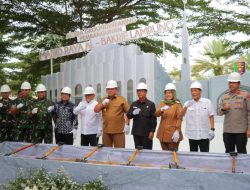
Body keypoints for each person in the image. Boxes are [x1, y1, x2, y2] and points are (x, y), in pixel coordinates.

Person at [217, 72, 250, 154]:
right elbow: (218, 112)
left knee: (242, 154)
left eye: (233, 82)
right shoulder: (224, 96)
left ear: (239, 83)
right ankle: (229, 167)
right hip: (227, 132)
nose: (231, 84)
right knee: (228, 154)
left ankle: (242, 168)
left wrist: (249, 129)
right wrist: (223, 108)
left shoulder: (246, 95)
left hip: (241, 132)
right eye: (230, 82)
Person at [179, 81, 215, 152]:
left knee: (205, 156)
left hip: (204, 135)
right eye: (192, 91)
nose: (193, 93)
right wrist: (185, 107)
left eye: (195, 90)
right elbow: (180, 116)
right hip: (192, 135)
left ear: (200, 91)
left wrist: (212, 129)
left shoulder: (207, 102)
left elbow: (211, 116)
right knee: (193, 156)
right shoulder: (188, 103)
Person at [94, 80, 129, 148]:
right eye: (108, 89)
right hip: (106, 131)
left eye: (112, 89)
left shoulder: (121, 99)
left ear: (116, 90)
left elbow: (128, 112)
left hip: (118, 131)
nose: (110, 90)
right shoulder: (103, 99)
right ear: (106, 90)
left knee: (119, 152)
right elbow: (96, 110)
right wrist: (102, 104)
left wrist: (127, 125)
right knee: (107, 153)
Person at [127, 82, 157, 150]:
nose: (139, 93)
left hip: (147, 134)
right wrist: (133, 113)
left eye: (141, 91)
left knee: (147, 153)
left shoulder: (151, 104)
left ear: (146, 92)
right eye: (138, 91)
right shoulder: (134, 104)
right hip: (136, 133)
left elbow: (153, 119)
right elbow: (128, 116)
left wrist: (152, 131)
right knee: (137, 152)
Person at [155, 83, 183, 151]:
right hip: (162, 134)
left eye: (170, 93)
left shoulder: (177, 104)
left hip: (172, 135)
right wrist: (161, 109)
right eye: (166, 93)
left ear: (173, 94)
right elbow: (156, 114)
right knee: (165, 156)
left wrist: (177, 131)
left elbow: (179, 118)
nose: (168, 94)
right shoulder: (162, 103)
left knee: (173, 156)